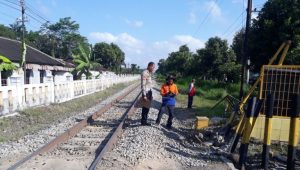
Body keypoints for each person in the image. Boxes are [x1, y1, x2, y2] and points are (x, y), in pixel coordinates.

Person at [140, 62, 155, 126]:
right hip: (146, 92)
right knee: (145, 107)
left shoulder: (149, 73)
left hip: (149, 92)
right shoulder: (145, 73)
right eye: (153, 67)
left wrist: (151, 93)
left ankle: (145, 120)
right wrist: (144, 95)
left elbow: (149, 84)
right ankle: (143, 121)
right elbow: (143, 85)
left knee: (147, 107)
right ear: (149, 66)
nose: (154, 68)